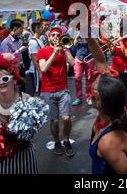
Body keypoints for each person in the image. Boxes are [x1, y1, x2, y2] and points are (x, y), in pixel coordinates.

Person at [86, 37, 127, 174]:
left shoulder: (108, 143)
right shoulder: (113, 113)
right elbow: (100, 60)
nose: (95, 82)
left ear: (98, 100)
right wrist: (85, 29)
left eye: (96, 87)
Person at [0, 53, 38, 174]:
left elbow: (34, 129)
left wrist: (24, 135)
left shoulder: (27, 100)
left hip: (23, 159)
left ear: (14, 79)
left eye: (5, 78)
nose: (1, 82)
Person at [38, 27, 75, 157]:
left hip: (63, 89)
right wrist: (54, 53)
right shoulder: (43, 51)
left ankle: (66, 140)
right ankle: (57, 142)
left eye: (58, 36)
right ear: (49, 38)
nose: (55, 37)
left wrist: (66, 50)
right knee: (54, 121)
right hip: (48, 91)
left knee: (66, 118)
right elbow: (43, 68)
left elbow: (73, 62)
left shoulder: (64, 50)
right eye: (53, 35)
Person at [0, 18, 29, 91]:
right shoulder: (5, 42)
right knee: (15, 90)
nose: (22, 31)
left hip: (21, 68)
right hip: (12, 70)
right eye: (21, 28)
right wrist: (19, 51)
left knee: (23, 89)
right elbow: (5, 59)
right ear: (15, 29)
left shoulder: (20, 40)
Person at [72, 33, 95, 106]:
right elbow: (74, 44)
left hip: (89, 58)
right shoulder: (77, 32)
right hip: (79, 58)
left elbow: (95, 44)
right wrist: (78, 35)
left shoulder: (93, 32)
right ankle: (79, 97)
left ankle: (89, 97)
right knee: (77, 77)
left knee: (89, 78)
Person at [27, 21, 46, 96]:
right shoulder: (33, 42)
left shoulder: (39, 40)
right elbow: (34, 59)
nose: (43, 29)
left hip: (40, 69)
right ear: (36, 29)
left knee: (40, 89)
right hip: (36, 71)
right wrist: (39, 72)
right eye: (41, 27)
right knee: (37, 90)